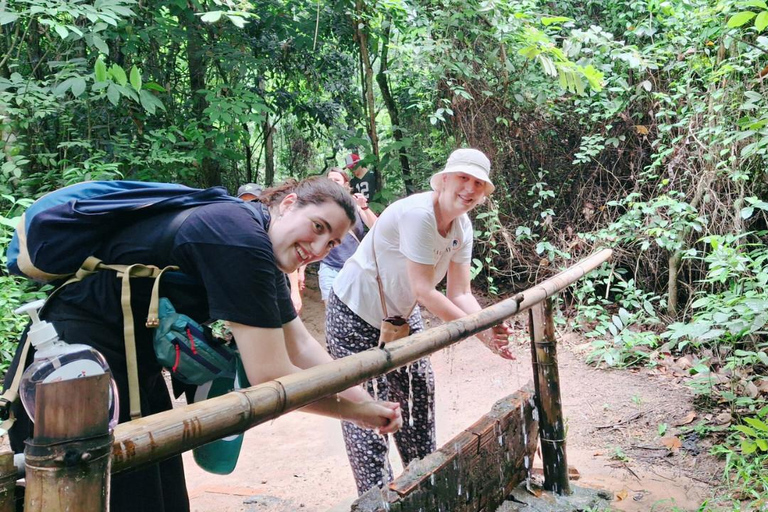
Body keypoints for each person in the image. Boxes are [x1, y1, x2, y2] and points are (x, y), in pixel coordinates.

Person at [5, 177, 403, 512]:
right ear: (288, 204)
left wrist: (366, 401)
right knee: (99, 494)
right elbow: (271, 376)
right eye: (318, 227)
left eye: (332, 244)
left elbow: (298, 344)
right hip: (75, 363)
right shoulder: (238, 238)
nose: (317, 250)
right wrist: (356, 413)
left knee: (160, 494)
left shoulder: (255, 241)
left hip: (133, 360)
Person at [325, 148, 514, 495]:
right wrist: (480, 334)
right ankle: (377, 499)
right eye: (463, 178)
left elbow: (459, 293)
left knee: (418, 393)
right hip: (353, 309)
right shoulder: (419, 215)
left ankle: (424, 489)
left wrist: (488, 327)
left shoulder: (463, 226)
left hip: (400, 312)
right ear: (443, 180)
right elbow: (426, 291)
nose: (469, 190)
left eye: (478, 184)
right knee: (368, 410)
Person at [317, 167, 377, 304]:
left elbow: (376, 227)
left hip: (356, 266)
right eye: (330, 180)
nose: (333, 182)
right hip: (329, 267)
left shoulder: (355, 205)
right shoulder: (319, 207)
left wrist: (364, 207)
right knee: (331, 310)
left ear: (345, 183)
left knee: (359, 309)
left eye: (336, 180)